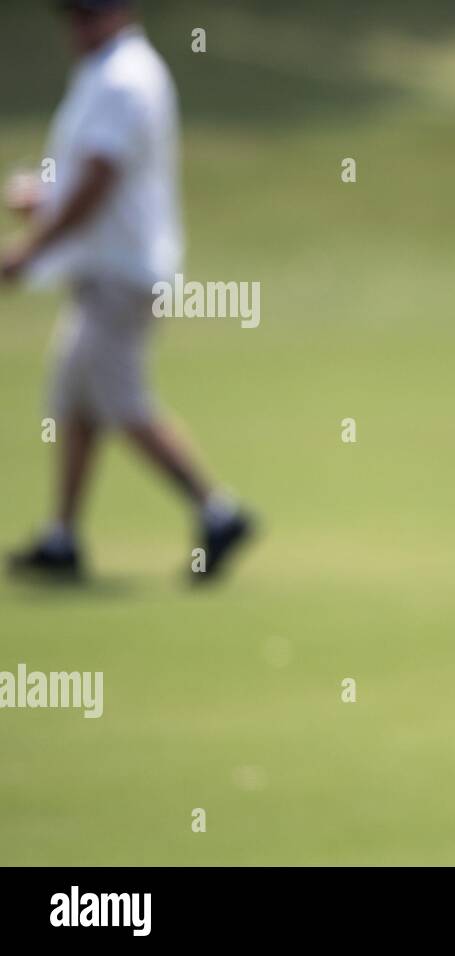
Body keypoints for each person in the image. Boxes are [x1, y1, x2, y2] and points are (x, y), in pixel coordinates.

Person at [2, 0, 251, 582]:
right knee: (75, 400)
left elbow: (99, 180)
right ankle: (62, 538)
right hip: (105, 266)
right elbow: (86, 179)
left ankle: (219, 512)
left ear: (120, 12)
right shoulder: (104, 71)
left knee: (120, 401)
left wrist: (29, 248)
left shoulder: (123, 77)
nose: (78, 26)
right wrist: (45, 200)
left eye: (91, 13)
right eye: (73, 15)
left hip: (122, 269)